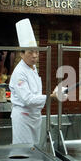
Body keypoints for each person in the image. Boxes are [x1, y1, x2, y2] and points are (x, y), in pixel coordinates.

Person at [9, 18, 66, 147]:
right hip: (23, 118)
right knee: (23, 152)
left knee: (34, 150)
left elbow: (35, 93)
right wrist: (51, 97)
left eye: (36, 52)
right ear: (22, 54)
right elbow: (27, 99)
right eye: (30, 52)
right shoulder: (19, 72)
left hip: (35, 116)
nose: (35, 55)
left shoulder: (33, 68)